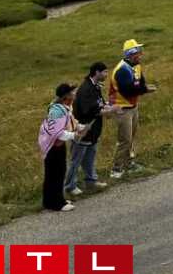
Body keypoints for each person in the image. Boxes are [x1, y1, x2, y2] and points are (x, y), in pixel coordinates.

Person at [108, 39, 154, 179]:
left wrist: (142, 87)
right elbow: (128, 91)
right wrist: (144, 90)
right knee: (125, 139)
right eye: (138, 52)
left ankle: (128, 163)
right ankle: (116, 168)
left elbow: (141, 82)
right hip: (122, 108)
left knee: (131, 137)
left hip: (133, 106)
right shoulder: (122, 70)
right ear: (131, 54)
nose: (140, 55)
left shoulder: (136, 66)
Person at [65, 61, 112, 197]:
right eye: (105, 72)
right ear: (97, 72)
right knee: (76, 159)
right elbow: (88, 110)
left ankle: (91, 181)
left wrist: (106, 105)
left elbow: (98, 103)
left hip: (93, 130)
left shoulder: (95, 86)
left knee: (90, 157)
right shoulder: (86, 89)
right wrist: (108, 111)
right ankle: (70, 186)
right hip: (83, 130)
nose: (107, 74)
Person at [38, 83, 78, 212]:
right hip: (53, 147)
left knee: (57, 172)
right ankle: (57, 203)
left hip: (58, 145)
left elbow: (71, 123)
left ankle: (51, 200)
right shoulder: (57, 111)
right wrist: (74, 135)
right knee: (55, 174)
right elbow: (57, 133)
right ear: (66, 96)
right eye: (72, 92)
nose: (75, 94)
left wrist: (79, 128)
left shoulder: (65, 108)